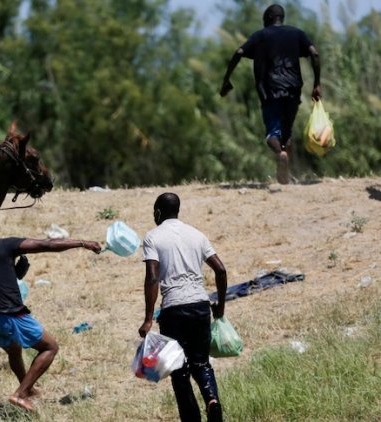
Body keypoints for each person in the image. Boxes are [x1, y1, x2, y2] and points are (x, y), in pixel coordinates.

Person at [0, 219, 101, 412]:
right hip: (10, 315)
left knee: (14, 350)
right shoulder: (5, 244)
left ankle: (28, 390)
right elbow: (47, 244)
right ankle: (21, 393)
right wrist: (83, 243)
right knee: (50, 347)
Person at [137, 193, 227, 422]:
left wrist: (148, 318)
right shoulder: (196, 234)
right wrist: (220, 308)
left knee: (179, 371)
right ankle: (212, 401)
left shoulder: (152, 237)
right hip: (199, 306)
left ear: (157, 212)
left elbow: (152, 277)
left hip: (174, 310)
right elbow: (221, 270)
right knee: (201, 362)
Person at [219, 4, 321, 184]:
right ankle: (286, 174)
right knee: (287, 133)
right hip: (293, 88)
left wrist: (226, 79)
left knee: (272, 133)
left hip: (270, 90)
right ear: (281, 18)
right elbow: (314, 54)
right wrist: (317, 83)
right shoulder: (296, 33)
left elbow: (239, 52)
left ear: (266, 19)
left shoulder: (261, 35)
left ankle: (280, 154)